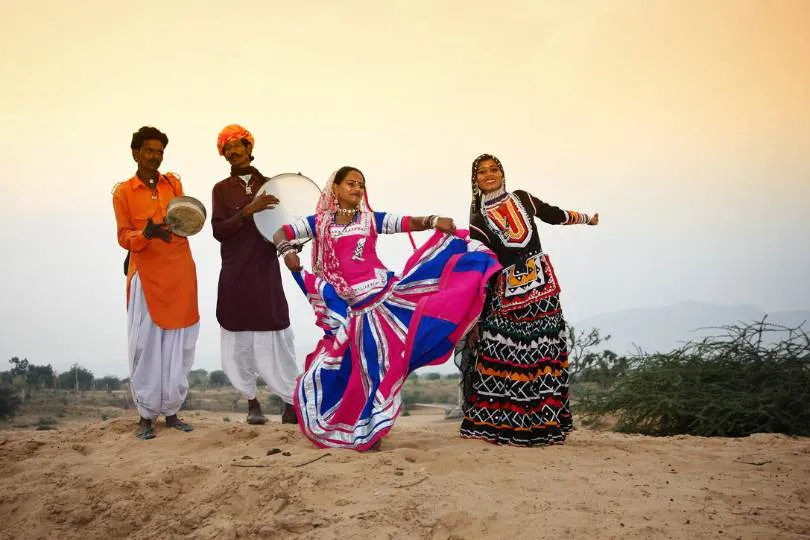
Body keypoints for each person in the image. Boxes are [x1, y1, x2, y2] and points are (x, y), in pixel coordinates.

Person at [273, 166, 501, 451]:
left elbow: (406, 222)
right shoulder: (319, 223)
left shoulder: (370, 219)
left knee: (378, 367)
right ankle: (352, 426)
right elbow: (280, 232)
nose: (357, 189)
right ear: (336, 189)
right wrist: (287, 251)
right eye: (351, 184)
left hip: (384, 301)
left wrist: (432, 220)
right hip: (349, 309)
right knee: (351, 367)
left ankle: (373, 432)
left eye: (361, 185)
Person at [458, 153, 599, 447]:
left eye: (494, 169)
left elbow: (554, 214)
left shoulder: (522, 199)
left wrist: (586, 218)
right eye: (482, 172)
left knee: (542, 353)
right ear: (475, 180)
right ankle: (505, 426)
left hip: (541, 289)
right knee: (504, 356)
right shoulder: (477, 219)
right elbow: (480, 269)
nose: (489, 175)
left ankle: (544, 424)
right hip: (504, 294)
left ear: (502, 173)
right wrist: (475, 319)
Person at [112, 126, 199, 440]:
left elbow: (186, 218)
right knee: (145, 346)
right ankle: (146, 416)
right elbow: (124, 237)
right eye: (148, 150)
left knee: (179, 343)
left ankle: (172, 412)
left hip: (179, 271)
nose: (154, 156)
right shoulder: (123, 192)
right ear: (135, 153)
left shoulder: (173, 183)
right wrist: (147, 234)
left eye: (159, 151)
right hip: (146, 275)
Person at [211, 124, 299, 425]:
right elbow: (219, 231)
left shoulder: (272, 185)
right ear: (224, 154)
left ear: (249, 148)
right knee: (239, 340)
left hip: (266, 271)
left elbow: (281, 227)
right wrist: (248, 210)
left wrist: (289, 251)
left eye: (238, 145)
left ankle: (289, 402)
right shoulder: (221, 189)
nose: (233, 151)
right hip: (235, 272)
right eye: (227, 148)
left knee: (277, 336)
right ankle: (252, 403)